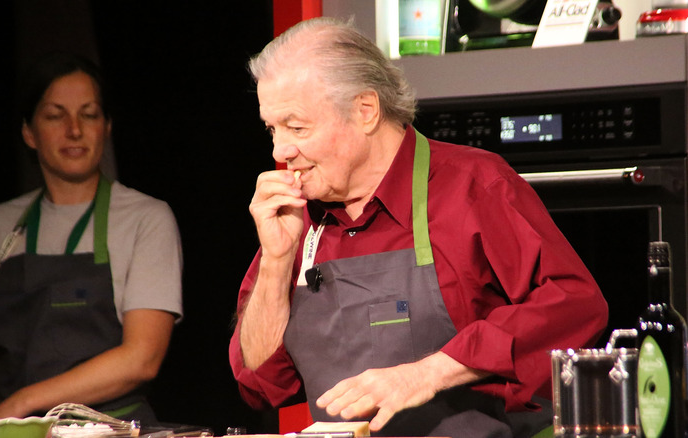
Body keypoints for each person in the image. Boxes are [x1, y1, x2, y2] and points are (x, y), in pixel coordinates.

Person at [228, 17, 609, 438]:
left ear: (365, 110)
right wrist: (277, 261)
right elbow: (261, 385)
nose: (282, 151)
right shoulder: (297, 218)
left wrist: (430, 373)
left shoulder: (473, 185)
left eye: (297, 127)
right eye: (272, 129)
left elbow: (575, 303)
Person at [0, 52, 183, 425]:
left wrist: (19, 406)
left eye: (89, 114)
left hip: (110, 429)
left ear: (107, 127)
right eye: (55, 115)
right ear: (29, 132)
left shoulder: (146, 219)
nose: (74, 130)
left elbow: (142, 358)